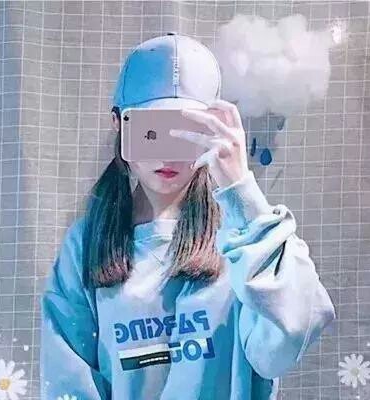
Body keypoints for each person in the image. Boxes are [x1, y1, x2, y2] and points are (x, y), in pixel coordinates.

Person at [40, 32, 336, 400]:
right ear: (119, 124)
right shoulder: (86, 245)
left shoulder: (243, 237)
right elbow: (67, 381)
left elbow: (292, 333)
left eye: (185, 132)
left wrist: (242, 189)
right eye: (151, 131)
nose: (168, 156)